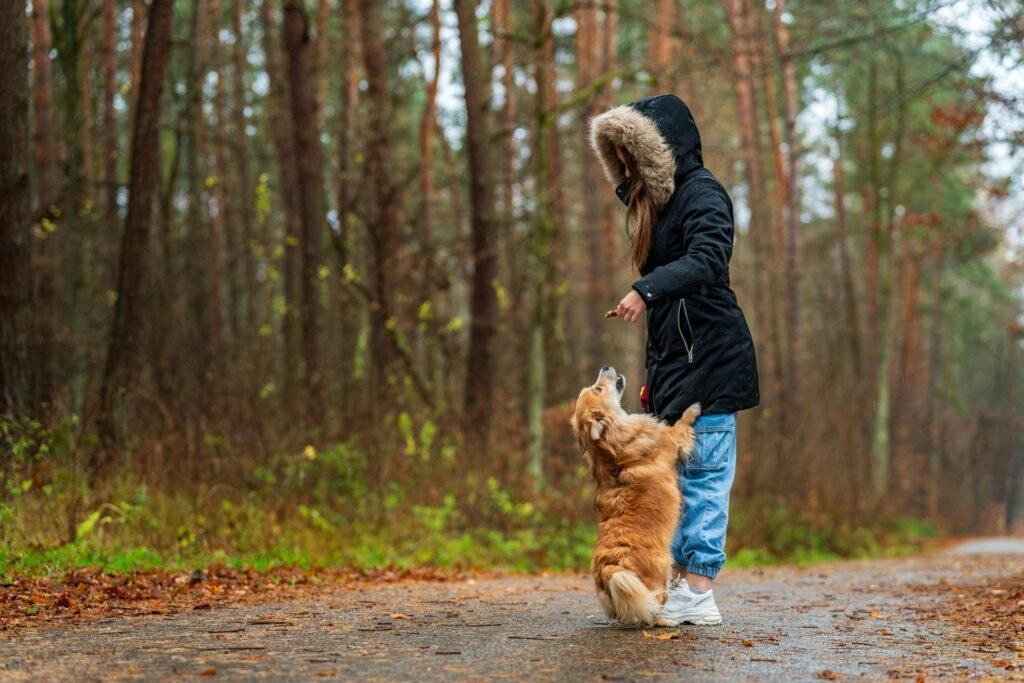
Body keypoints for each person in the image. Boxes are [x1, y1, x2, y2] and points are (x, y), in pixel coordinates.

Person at [588, 94, 759, 626]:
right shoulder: (661, 207)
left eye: (634, 155)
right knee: (677, 481)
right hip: (677, 366)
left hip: (711, 361)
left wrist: (645, 288)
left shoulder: (703, 194)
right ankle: (676, 583)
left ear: (660, 152)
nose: (629, 169)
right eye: (621, 159)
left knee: (706, 477)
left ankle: (698, 591)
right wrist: (654, 388)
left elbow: (709, 258)